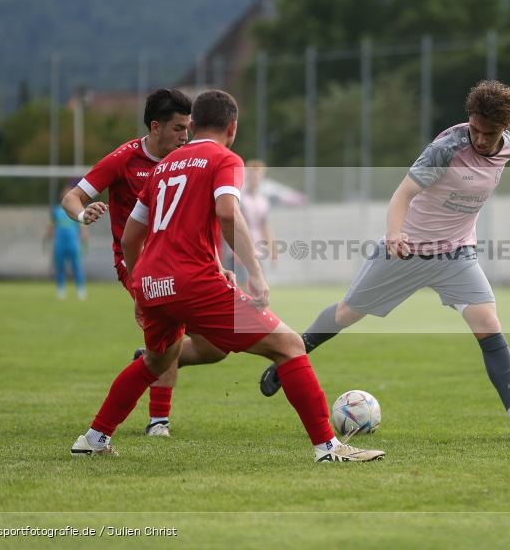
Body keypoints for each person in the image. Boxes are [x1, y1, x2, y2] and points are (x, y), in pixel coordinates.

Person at [70, 90, 383, 462]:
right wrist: (256, 274)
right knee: (289, 346)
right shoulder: (225, 158)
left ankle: (94, 438)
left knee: (156, 361)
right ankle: (329, 448)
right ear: (232, 127)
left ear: (195, 124)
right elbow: (228, 214)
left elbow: (130, 235)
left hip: (153, 283)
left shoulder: (163, 167)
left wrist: (141, 283)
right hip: (193, 281)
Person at [257, 80, 510, 441]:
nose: (479, 138)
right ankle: (287, 359)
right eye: (474, 129)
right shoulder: (445, 149)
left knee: (488, 322)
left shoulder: (508, 149)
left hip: (456, 252)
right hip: (406, 249)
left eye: (488, 133)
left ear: (504, 129)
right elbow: (403, 194)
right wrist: (396, 234)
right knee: (348, 312)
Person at [61, 88, 209, 437]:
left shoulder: (188, 159)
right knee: (173, 332)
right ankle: (158, 420)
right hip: (138, 265)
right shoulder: (124, 159)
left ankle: (149, 360)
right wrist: (82, 215)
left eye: (188, 128)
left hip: (184, 261)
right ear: (156, 127)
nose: (185, 136)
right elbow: (72, 197)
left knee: (215, 347)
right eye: (178, 128)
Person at [231, 159, 277, 281]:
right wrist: (236, 249)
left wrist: (272, 250)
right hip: (242, 249)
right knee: (244, 288)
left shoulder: (263, 201)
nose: (255, 180)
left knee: (260, 286)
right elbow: (234, 225)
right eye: (252, 176)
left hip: (258, 249)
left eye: (258, 177)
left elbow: (265, 226)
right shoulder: (240, 198)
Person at [46, 186, 88, 300]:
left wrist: (84, 238)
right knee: (59, 267)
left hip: (73, 243)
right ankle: (61, 290)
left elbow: (82, 225)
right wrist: (47, 238)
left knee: (77, 267)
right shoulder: (56, 211)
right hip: (59, 243)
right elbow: (51, 226)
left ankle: (80, 290)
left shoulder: (75, 209)